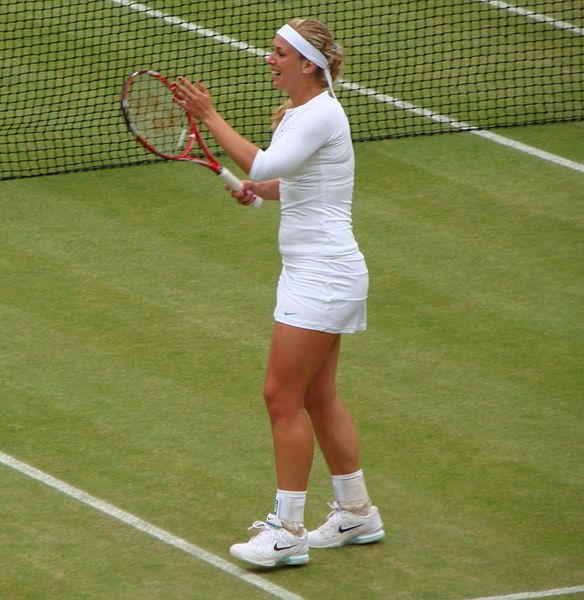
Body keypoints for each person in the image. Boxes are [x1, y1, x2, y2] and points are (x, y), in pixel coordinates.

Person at [173, 18, 384, 568]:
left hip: (323, 274)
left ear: (307, 65)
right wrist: (257, 191)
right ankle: (356, 512)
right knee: (317, 396)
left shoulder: (320, 113)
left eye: (279, 53)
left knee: (280, 396)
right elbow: (281, 180)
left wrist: (210, 117)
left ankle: (287, 530)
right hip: (318, 272)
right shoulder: (305, 114)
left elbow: (266, 163)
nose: (269, 60)